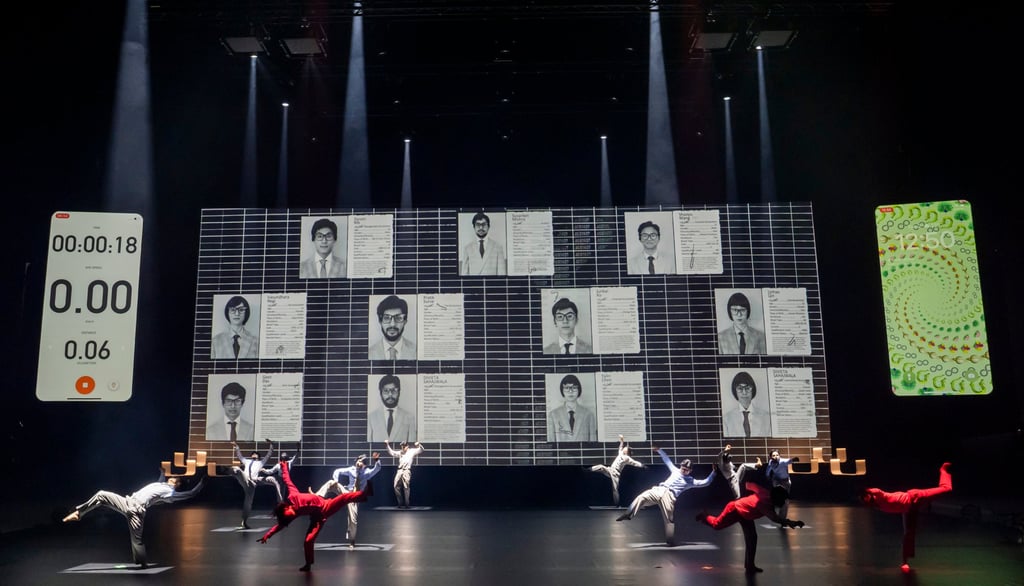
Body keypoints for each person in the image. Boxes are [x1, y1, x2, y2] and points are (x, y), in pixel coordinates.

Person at [62, 470, 205, 568]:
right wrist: (161, 471)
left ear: (177, 484)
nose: (172, 477)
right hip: (128, 502)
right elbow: (160, 481)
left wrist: (202, 483)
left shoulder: (171, 493)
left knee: (137, 540)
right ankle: (79, 513)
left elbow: (190, 494)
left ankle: (142, 563)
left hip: (136, 512)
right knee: (101, 494)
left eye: (174, 478)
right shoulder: (161, 485)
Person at [258, 458, 372, 572]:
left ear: (286, 507)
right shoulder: (292, 514)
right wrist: (268, 535)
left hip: (325, 504)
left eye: (288, 514)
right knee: (308, 541)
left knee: (344, 498)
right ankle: (308, 564)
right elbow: (280, 525)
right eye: (289, 517)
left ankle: (365, 493)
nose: (292, 516)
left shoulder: (293, 496)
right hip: (319, 516)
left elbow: (287, 480)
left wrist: (283, 467)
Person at [859, 462, 953, 572]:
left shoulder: (880, 497)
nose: (867, 500)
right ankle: (905, 562)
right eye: (865, 500)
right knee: (908, 534)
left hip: (915, 497)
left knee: (947, 489)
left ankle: (943, 471)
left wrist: (868, 490)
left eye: (866, 497)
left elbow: (879, 491)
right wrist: (864, 496)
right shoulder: (877, 505)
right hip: (908, 510)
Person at [695, 480, 804, 573]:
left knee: (752, 539)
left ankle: (749, 566)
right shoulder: (764, 503)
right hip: (735, 509)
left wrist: (744, 496)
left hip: (746, 515)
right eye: (783, 499)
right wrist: (792, 523)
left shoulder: (765, 493)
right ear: (777, 497)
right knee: (716, 525)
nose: (784, 501)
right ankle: (705, 516)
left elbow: (749, 484)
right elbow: (775, 519)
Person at [616, 447, 716, 546]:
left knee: (669, 520)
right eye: (682, 468)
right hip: (659, 490)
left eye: (686, 470)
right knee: (641, 497)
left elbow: (705, 482)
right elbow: (667, 460)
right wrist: (659, 450)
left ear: (690, 471)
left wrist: (713, 473)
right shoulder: (675, 470)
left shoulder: (690, 481)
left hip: (669, 497)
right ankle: (628, 514)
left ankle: (670, 541)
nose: (683, 471)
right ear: (680, 466)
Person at [313, 452, 381, 549]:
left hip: (355, 497)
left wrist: (377, 460)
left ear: (364, 464)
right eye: (358, 461)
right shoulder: (351, 470)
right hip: (346, 492)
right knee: (331, 482)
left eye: (361, 462)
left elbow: (377, 468)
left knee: (353, 520)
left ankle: (352, 540)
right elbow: (337, 471)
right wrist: (336, 479)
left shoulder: (367, 472)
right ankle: (317, 496)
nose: (358, 463)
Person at [229, 440, 283, 529]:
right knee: (237, 469)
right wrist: (237, 446)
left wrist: (271, 445)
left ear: (258, 456)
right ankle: (224, 471)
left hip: (254, 482)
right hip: (246, 479)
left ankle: (244, 521)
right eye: (253, 454)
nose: (254, 454)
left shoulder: (260, 462)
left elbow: (268, 455)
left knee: (272, 479)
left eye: (256, 454)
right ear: (251, 456)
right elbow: (239, 455)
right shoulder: (246, 461)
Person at [589, 434, 645, 506]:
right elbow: (621, 446)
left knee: (615, 489)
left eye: (626, 448)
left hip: (616, 474)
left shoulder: (627, 458)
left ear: (627, 451)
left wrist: (642, 465)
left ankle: (617, 504)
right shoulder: (621, 453)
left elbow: (634, 463)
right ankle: (589, 469)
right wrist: (622, 440)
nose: (624, 448)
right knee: (601, 467)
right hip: (610, 470)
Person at [546, 374, 597, 442]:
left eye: (574, 388)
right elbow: (551, 442)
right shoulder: (553, 415)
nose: (570, 391)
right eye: (567, 388)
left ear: (579, 390)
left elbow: (593, 443)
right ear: (562, 391)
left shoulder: (589, 415)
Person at [367, 374, 417, 442]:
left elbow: (411, 446)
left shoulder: (409, 417)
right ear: (380, 393)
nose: (390, 394)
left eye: (393, 390)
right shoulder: (371, 417)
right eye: (386, 391)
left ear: (399, 392)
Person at [721, 371, 771, 438]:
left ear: (753, 390)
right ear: (735, 391)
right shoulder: (726, 419)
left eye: (747, 388)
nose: (744, 392)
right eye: (740, 388)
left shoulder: (767, 417)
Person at [368, 295, 417, 360]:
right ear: (380, 321)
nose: (393, 324)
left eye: (398, 318)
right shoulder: (369, 353)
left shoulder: (417, 351)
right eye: (386, 318)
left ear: (405, 321)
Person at [211, 295, 259, 359]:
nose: (237, 313)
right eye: (232, 310)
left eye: (241, 310)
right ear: (227, 312)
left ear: (246, 313)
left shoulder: (255, 341)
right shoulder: (215, 341)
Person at [386, 440, 425, 508]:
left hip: (406, 470)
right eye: (402, 446)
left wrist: (419, 445)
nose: (403, 448)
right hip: (399, 470)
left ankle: (407, 503)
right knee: (396, 486)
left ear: (407, 446)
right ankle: (400, 503)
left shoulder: (411, 451)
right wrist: (387, 445)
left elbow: (421, 450)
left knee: (406, 487)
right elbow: (392, 452)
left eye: (404, 446)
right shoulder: (400, 452)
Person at [764, 449, 798, 522]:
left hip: (785, 482)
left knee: (785, 501)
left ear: (779, 456)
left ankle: (782, 517)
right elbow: (768, 470)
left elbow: (789, 461)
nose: (776, 457)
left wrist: (794, 459)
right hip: (776, 481)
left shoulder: (783, 461)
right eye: (773, 455)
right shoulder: (771, 462)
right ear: (770, 457)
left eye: (777, 455)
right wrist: (767, 476)